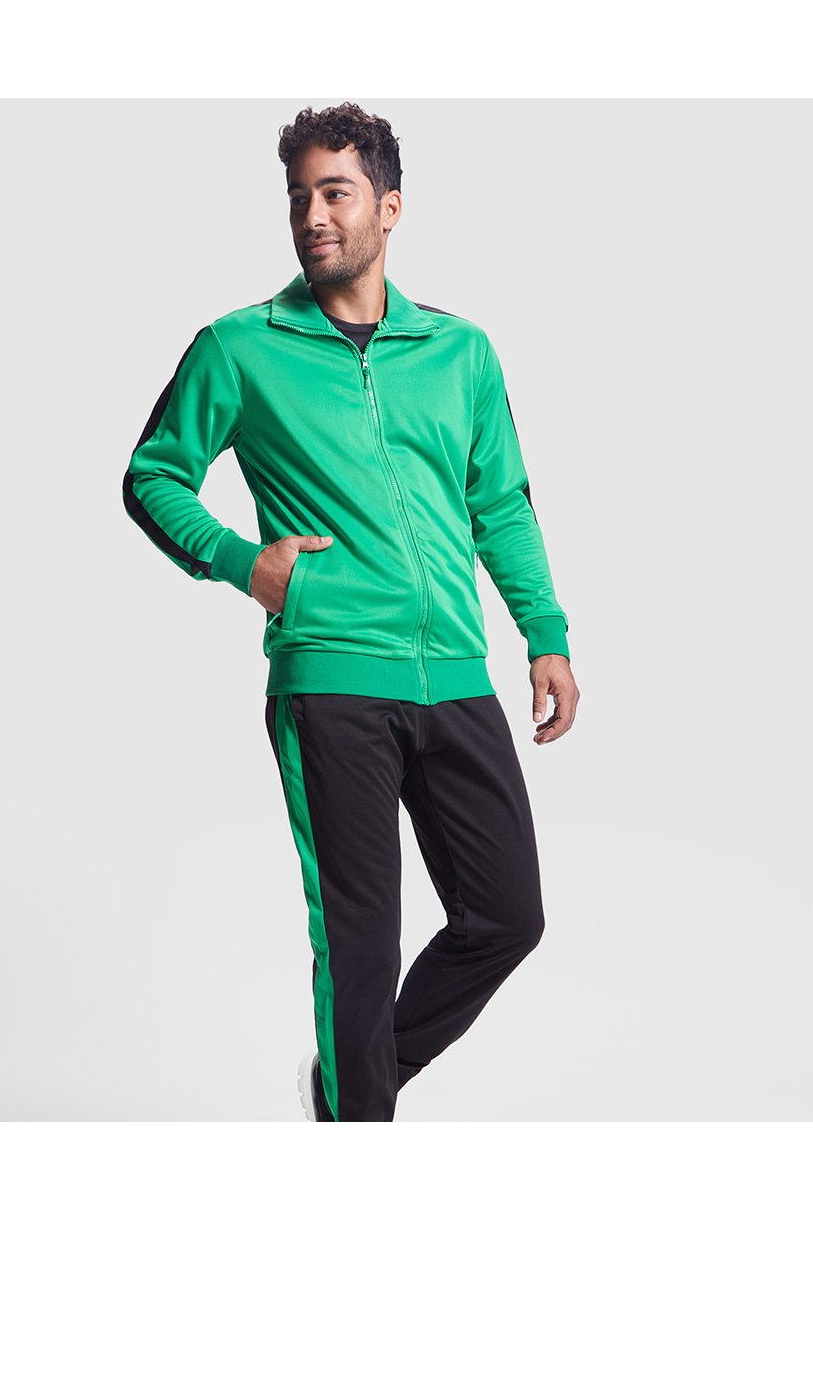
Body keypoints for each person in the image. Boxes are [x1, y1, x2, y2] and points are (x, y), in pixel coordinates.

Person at [123, 101, 580, 1122]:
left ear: (390, 206)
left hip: (453, 672)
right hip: (330, 677)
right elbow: (152, 475)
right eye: (299, 197)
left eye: (336, 193)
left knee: (507, 916)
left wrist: (543, 634)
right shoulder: (240, 347)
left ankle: (349, 1083)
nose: (314, 216)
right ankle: (357, 1130)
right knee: (361, 943)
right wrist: (243, 563)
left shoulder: (460, 351)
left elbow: (501, 503)